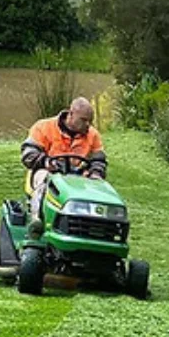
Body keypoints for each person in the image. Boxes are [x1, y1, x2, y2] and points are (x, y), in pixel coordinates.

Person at [20, 97, 108, 235]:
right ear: (71, 114)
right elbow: (28, 154)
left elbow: (99, 160)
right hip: (47, 172)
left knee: (97, 186)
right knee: (45, 178)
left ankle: (94, 229)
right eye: (84, 120)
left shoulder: (93, 135)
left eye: (90, 121)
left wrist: (95, 173)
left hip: (77, 177)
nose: (88, 125)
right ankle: (36, 219)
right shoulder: (43, 127)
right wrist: (46, 162)